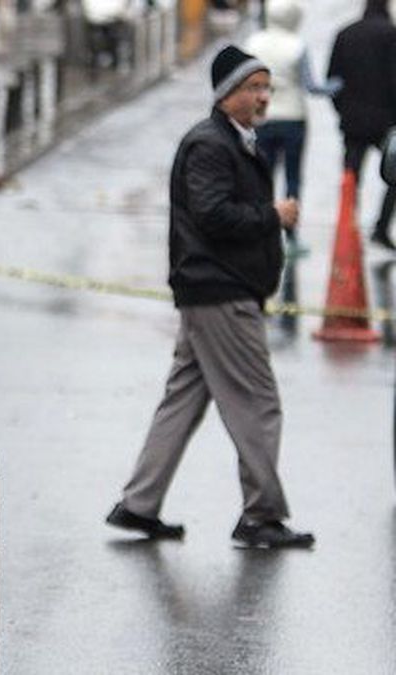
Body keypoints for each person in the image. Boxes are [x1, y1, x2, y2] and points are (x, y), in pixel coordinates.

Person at [105, 46, 314, 549]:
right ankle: (261, 515)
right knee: (258, 402)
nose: (263, 97)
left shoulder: (234, 141)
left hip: (211, 290)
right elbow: (213, 215)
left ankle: (138, 504)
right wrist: (274, 216)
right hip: (220, 291)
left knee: (183, 400)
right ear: (227, 95)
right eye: (253, 88)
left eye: (266, 87)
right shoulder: (210, 145)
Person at [245, 0, 340, 251]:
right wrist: (336, 86)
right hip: (294, 119)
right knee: (293, 178)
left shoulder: (254, 43)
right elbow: (311, 86)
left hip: (262, 118)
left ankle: (261, 230)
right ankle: (291, 232)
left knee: (262, 177)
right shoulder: (297, 46)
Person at [327, 0, 396, 250]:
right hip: (385, 122)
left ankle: (349, 226)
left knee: (351, 175)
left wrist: (342, 110)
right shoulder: (391, 35)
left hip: (353, 121)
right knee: (394, 173)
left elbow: (333, 80)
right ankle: (382, 226)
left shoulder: (345, 34)